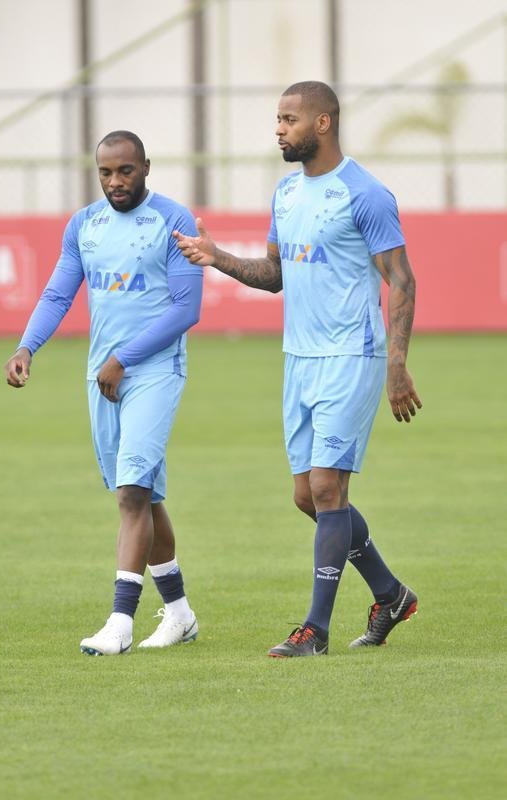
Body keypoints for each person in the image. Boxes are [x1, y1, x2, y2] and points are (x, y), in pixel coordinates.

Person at [174, 81, 422, 658]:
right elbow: (275, 274)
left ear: (323, 124)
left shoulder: (366, 195)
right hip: (299, 361)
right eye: (278, 119)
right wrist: (218, 259)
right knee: (307, 498)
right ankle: (390, 595)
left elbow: (401, 279)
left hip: (351, 357)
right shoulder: (286, 193)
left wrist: (397, 364)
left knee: (328, 488)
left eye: (288, 119)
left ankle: (315, 630)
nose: (279, 128)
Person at [4, 131, 203, 656]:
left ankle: (120, 621)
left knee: (131, 493)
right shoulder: (84, 225)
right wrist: (28, 347)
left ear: (146, 168)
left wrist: (124, 358)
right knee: (146, 493)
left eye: (126, 171)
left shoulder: (174, 221)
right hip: (104, 376)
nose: (116, 182)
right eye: (106, 173)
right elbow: (57, 291)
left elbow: (185, 309)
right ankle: (180, 614)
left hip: (154, 371)